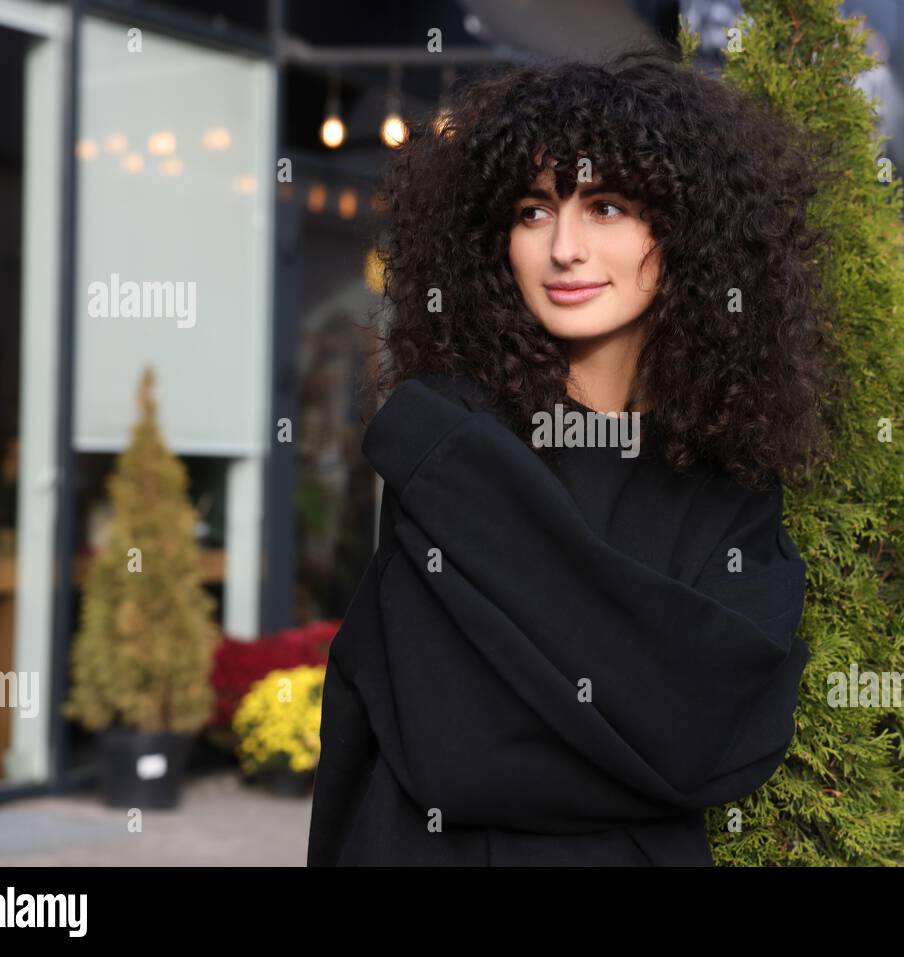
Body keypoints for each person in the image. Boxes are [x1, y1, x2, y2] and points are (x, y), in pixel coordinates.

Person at [306, 46, 836, 866]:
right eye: (531, 210)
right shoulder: (445, 447)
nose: (564, 249)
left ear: (685, 229)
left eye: (608, 207)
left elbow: (726, 736)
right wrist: (642, 738)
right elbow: (454, 749)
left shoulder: (728, 482)